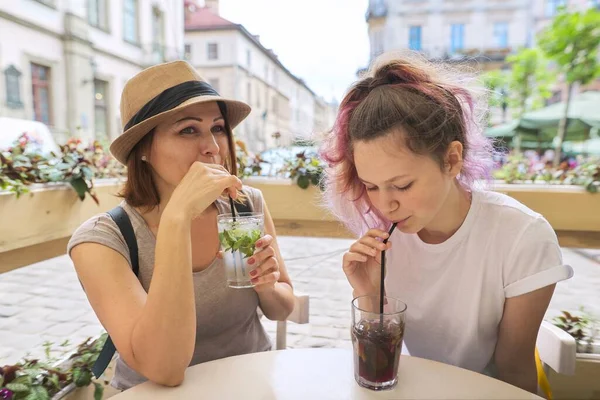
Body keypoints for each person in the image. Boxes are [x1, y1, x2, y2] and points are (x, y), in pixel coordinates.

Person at [319, 52, 573, 394]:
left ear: (452, 159)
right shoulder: (385, 240)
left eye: (402, 185)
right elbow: (377, 365)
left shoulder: (522, 236)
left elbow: (514, 366)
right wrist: (369, 295)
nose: (385, 204)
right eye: (371, 186)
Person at [68, 61, 295, 391]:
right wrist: (177, 217)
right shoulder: (102, 240)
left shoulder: (245, 205)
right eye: (188, 130)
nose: (213, 148)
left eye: (218, 128)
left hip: (250, 385)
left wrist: (266, 286)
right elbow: (166, 369)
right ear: (143, 149)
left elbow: (281, 308)